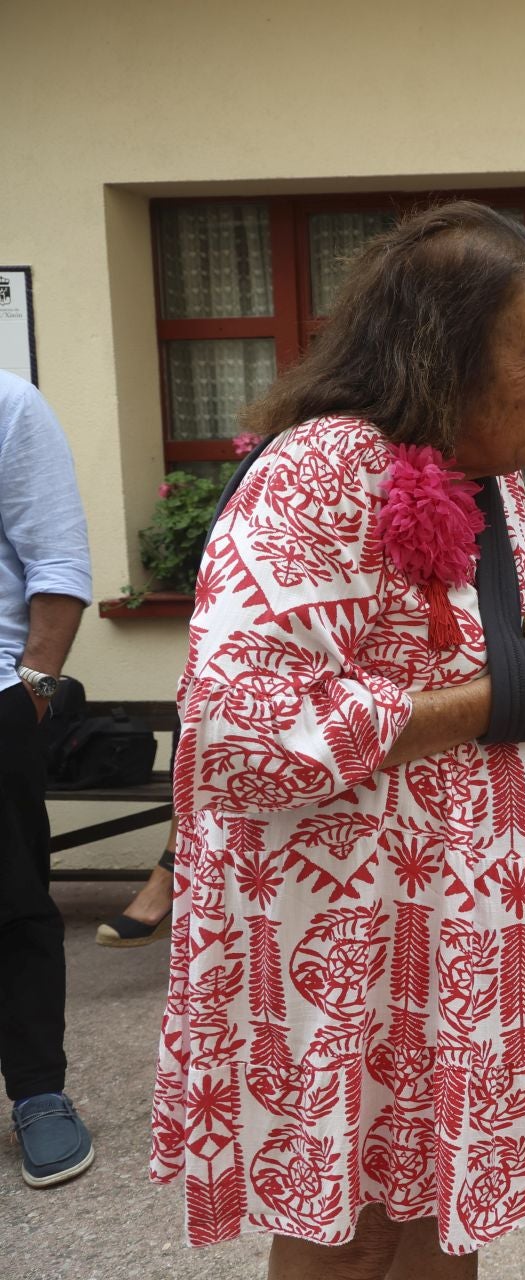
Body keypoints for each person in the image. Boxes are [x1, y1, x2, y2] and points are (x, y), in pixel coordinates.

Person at [149, 201, 525, 1274]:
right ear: (445, 349)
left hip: (454, 949)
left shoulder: (489, 480)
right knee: (353, 1233)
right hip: (349, 950)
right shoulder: (322, 470)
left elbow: (505, 663)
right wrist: (487, 701)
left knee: (438, 1219)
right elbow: (235, 723)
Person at [0, 369, 94, 1188]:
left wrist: (33, 688)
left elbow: (58, 564)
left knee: (14, 903)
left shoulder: (8, 404)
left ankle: (38, 1093)